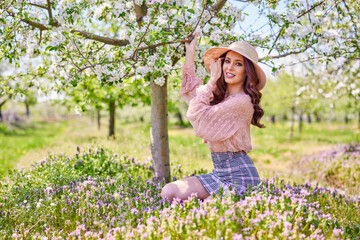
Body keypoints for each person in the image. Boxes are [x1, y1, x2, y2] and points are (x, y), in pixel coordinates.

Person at [160, 34, 267, 202]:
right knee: (168, 192)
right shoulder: (220, 95)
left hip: (241, 177)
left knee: (205, 212)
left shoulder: (241, 102)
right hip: (219, 173)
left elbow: (199, 117)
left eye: (238, 64)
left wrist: (211, 81)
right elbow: (192, 92)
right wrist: (190, 51)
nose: (229, 68)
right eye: (227, 61)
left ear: (247, 72)